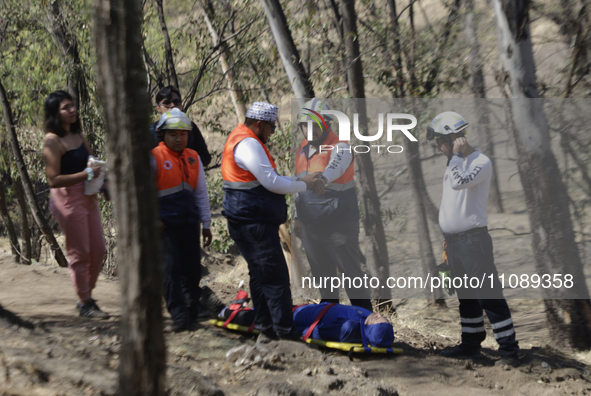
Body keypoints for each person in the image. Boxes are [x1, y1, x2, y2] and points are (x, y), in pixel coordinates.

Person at [221, 101, 322, 342]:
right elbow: (272, 183)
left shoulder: (243, 138)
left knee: (260, 275)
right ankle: (285, 334)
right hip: (252, 222)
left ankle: (265, 328)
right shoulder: (248, 144)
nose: (273, 132)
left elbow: (269, 178)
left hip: (248, 218)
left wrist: (299, 178)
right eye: (271, 127)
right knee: (275, 277)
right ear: (258, 124)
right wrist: (303, 184)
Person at [427, 111, 520, 367]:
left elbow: (459, 184)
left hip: (473, 243)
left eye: (440, 140)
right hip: (455, 244)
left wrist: (457, 155)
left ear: (455, 138)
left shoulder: (480, 162)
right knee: (466, 297)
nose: (437, 146)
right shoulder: (453, 163)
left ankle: (510, 352)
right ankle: (470, 345)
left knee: (489, 295)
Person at [294, 99, 372, 311]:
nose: (309, 130)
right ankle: (330, 324)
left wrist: (323, 180)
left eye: (315, 125)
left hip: (339, 225)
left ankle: (369, 323)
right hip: (312, 227)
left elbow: (335, 167)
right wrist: (297, 216)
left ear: (326, 123)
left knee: (352, 278)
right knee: (325, 282)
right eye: (305, 125)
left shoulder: (341, 147)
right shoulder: (302, 150)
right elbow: (299, 183)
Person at [43, 90, 109, 319]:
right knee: (80, 253)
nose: (72, 110)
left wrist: (104, 184)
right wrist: (85, 174)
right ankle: (85, 301)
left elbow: (92, 163)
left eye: (72, 106)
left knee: (99, 249)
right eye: (65, 107)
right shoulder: (52, 141)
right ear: (55, 113)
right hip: (67, 200)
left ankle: (85, 297)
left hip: (88, 196)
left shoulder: (79, 135)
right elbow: (53, 179)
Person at [152, 108, 212, 332]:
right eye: (173, 134)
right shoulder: (153, 158)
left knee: (192, 270)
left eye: (183, 134)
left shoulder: (193, 157)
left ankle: (192, 312)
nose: (179, 138)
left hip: (189, 223)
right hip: (165, 226)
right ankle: (178, 315)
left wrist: (206, 223)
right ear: (163, 135)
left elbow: (201, 194)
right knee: (170, 269)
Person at [206, 291, 394, 347]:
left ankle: (224, 312)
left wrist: (290, 329)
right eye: (382, 316)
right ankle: (239, 305)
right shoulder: (363, 317)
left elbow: (315, 331)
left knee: (264, 317)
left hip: (300, 318)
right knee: (268, 308)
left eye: (379, 319)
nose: (378, 314)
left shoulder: (349, 328)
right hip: (306, 311)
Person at [150, 85, 211, 167]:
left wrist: (188, 163)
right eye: (167, 103)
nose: (172, 105)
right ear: (158, 108)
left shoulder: (191, 127)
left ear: (181, 105)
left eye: (176, 102)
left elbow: (205, 157)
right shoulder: (151, 131)